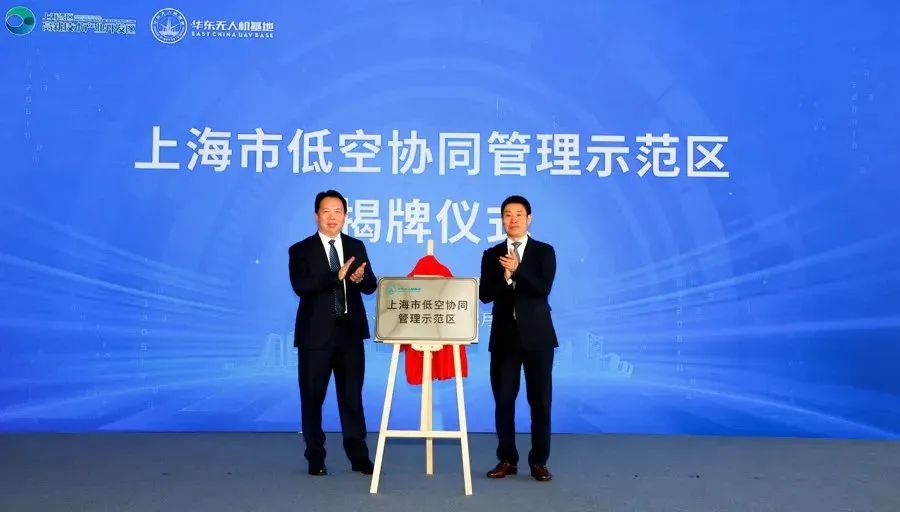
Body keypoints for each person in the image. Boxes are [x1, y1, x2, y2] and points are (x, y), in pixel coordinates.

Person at [288, 189, 377, 476]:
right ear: (317, 215)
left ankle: (359, 456)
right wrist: (335, 276)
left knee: (352, 399)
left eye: (338, 211)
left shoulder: (355, 246)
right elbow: (301, 286)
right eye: (326, 211)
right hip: (315, 337)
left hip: (350, 335)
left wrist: (360, 278)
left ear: (345, 216)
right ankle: (315, 456)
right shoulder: (300, 250)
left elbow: (371, 285)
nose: (332, 217)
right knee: (312, 399)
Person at [479, 195, 558, 482]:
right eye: (507, 215)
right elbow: (485, 295)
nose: (513, 220)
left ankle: (539, 461)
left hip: (538, 337)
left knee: (540, 401)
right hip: (504, 338)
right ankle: (507, 459)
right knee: (503, 400)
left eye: (518, 214)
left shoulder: (544, 251)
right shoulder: (491, 254)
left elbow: (542, 289)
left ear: (529, 218)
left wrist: (518, 271)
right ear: (502, 219)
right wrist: (505, 277)